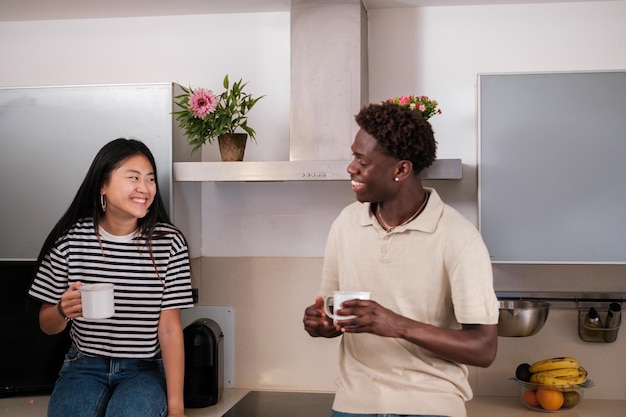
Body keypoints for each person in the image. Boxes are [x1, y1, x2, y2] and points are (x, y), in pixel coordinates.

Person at [303, 102, 499, 417]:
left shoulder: (459, 237)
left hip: (431, 407)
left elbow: (484, 348)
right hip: (354, 406)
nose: (351, 168)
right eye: (353, 157)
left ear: (401, 170)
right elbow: (330, 309)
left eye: (361, 160)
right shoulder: (346, 224)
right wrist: (321, 324)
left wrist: (396, 324)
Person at [29, 138, 194, 417]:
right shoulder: (70, 241)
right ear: (101, 185)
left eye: (150, 179)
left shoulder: (169, 243)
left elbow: (169, 329)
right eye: (133, 177)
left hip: (144, 369)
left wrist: (176, 408)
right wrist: (62, 309)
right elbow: (47, 324)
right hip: (83, 366)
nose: (145, 188)